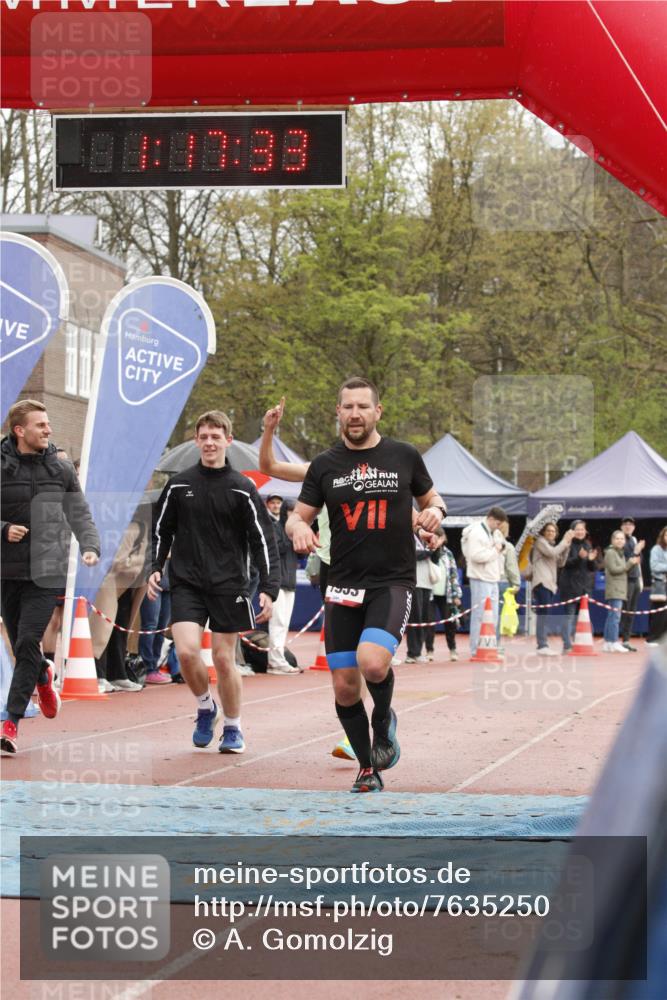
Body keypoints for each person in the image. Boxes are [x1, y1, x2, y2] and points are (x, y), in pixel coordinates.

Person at [286, 377, 445, 793]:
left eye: (362, 406)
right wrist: (297, 528)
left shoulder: (404, 456)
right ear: (337, 413)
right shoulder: (324, 465)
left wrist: (435, 516)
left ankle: (384, 721)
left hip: (391, 582)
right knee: (344, 685)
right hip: (342, 584)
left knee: (373, 662)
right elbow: (298, 515)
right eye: (347, 407)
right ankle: (365, 768)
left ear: (378, 411)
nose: (354, 414)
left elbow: (433, 501)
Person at [147, 410, 280, 754]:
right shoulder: (179, 484)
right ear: (196, 441)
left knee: (223, 659)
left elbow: (262, 539)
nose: (209, 442)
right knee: (188, 652)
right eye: (203, 436)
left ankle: (233, 728)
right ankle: (206, 706)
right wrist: (155, 566)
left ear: (228, 441)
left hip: (230, 584)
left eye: (215, 437)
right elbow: (162, 530)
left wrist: (268, 587)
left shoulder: (243, 487)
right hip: (187, 582)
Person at [1, 400, 100, 754]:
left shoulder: (60, 469)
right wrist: (4, 529)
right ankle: (42, 673)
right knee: (22, 645)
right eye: (41, 425)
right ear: (19, 430)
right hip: (7, 571)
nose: (49, 430)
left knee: (28, 639)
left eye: (48, 424)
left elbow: (81, 514)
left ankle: (10, 722)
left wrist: (90, 545)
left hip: (47, 571)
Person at [461, 507, 508, 659]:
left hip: (493, 577)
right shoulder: (477, 532)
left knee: (493, 616)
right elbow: (475, 556)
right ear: (491, 519)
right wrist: (495, 551)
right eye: (498, 523)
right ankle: (476, 648)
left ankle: (489, 647)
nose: (499, 527)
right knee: (480, 615)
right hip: (480, 577)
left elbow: (501, 548)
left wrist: (499, 550)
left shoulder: (495, 532)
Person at [265, 494, 300, 675]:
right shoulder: (275, 527)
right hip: (277, 582)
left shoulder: (291, 530)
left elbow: (299, 555)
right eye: (291, 512)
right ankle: (275, 661)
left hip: (290, 581)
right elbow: (276, 550)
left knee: (284, 623)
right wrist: (291, 537)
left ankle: (278, 659)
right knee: (277, 623)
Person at [529, 523, 575, 655]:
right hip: (541, 582)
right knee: (543, 614)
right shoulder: (540, 542)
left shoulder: (553, 545)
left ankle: (543, 644)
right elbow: (552, 553)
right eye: (548, 530)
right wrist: (564, 542)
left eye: (553, 531)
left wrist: (567, 546)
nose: (551, 533)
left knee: (545, 614)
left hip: (550, 583)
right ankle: (542, 644)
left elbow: (561, 562)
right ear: (543, 532)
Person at [558, 520, 598, 652]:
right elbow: (564, 564)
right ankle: (567, 644)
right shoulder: (567, 545)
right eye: (577, 529)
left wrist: (591, 560)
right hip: (569, 586)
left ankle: (578, 642)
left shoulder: (587, 544)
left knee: (580, 617)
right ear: (572, 531)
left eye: (582, 529)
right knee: (569, 617)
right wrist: (580, 558)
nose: (580, 532)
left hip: (584, 587)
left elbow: (592, 568)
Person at [602, 530, 643, 653]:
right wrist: (630, 563)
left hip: (619, 589)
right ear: (612, 540)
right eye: (617, 538)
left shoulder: (619, 553)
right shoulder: (610, 552)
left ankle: (608, 642)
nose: (620, 541)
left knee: (612, 617)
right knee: (615, 617)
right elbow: (614, 570)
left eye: (622, 539)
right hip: (615, 589)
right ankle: (613, 641)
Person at [429, 529, 462, 661]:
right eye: (433, 537)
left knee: (449, 622)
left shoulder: (449, 554)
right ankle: (429, 650)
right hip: (430, 593)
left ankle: (453, 649)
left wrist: (456, 595)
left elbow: (454, 574)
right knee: (429, 623)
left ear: (443, 538)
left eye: (438, 537)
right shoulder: (428, 552)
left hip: (446, 593)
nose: (435, 540)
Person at [619, 517, 643, 651]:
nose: (628, 526)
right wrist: (635, 552)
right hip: (625, 580)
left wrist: (640, 579)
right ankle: (615, 640)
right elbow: (625, 559)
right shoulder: (620, 539)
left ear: (634, 527)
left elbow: (639, 560)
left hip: (635, 579)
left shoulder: (634, 540)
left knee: (631, 611)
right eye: (625, 524)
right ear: (621, 526)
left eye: (630, 524)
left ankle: (626, 640)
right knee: (623, 610)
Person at [497, 519, 521, 650]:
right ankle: (496, 643)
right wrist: (516, 583)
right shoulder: (508, 547)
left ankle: (482, 642)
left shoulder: (487, 544)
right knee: (499, 616)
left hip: (487, 581)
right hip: (503, 583)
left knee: (486, 614)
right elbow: (511, 567)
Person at [646, 526, 667, 646]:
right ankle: (652, 639)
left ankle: (664, 640)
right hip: (660, 585)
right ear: (663, 536)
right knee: (659, 614)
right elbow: (654, 566)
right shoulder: (656, 549)